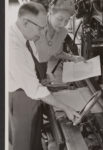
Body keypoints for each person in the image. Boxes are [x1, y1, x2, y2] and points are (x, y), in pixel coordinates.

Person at [9, 2, 80, 150]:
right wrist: (65, 107)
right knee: (23, 142)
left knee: (33, 133)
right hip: (20, 97)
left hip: (28, 89)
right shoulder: (14, 48)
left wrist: (43, 76)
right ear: (25, 22)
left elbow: (35, 60)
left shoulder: (26, 36)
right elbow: (34, 89)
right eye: (40, 28)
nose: (42, 33)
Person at [30, 0, 85, 83]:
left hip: (40, 72)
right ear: (50, 12)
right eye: (60, 19)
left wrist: (74, 58)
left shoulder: (62, 32)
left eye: (67, 20)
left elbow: (57, 53)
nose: (63, 24)